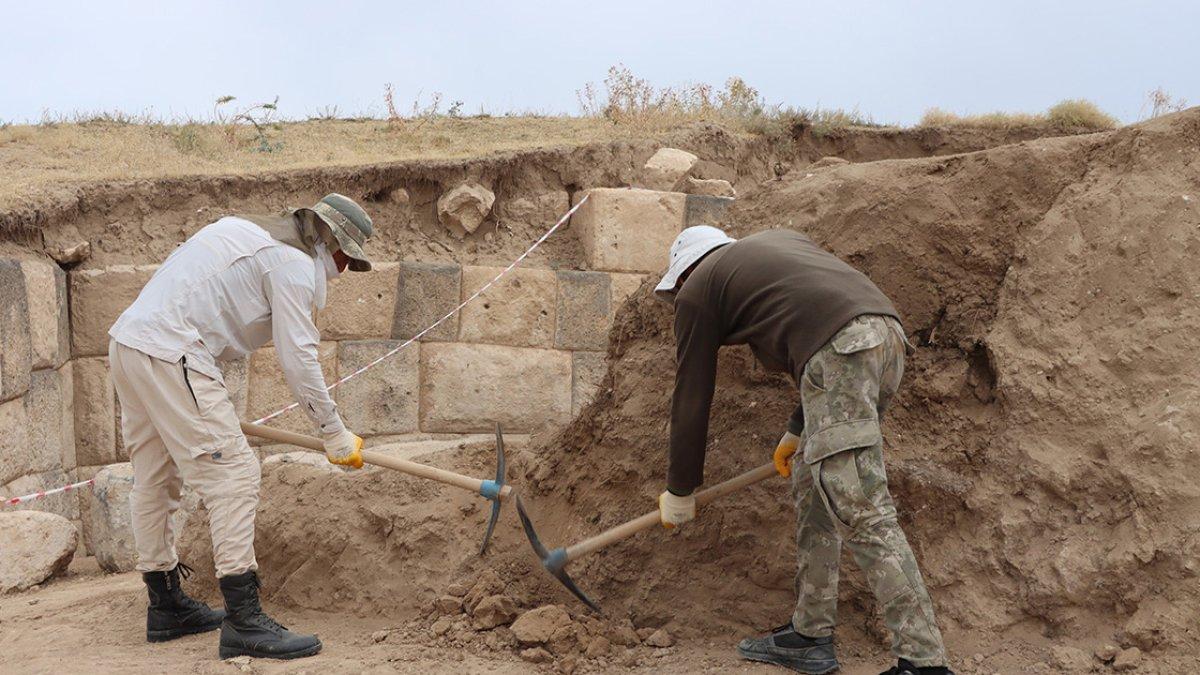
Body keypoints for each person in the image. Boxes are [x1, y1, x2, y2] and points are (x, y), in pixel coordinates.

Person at [654, 225, 953, 675]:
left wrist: (680, 488)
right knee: (815, 488)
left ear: (683, 273)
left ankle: (925, 661)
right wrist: (798, 429)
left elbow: (692, 394)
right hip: (885, 339)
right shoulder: (775, 248)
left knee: (861, 506)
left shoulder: (697, 288)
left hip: (842, 352)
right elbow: (818, 321)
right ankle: (810, 634)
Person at [108, 193, 375, 660]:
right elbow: (299, 359)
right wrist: (332, 431)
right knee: (234, 475)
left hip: (130, 343)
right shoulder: (291, 264)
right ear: (332, 244)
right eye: (346, 261)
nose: (345, 271)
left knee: (155, 479)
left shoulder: (243, 227)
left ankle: (165, 603)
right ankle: (244, 620)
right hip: (173, 350)